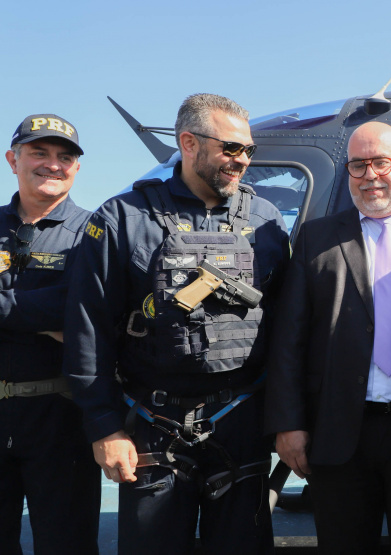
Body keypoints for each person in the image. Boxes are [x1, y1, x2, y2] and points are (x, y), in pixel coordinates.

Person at [64, 94, 289, 554]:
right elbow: (89, 331)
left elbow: (287, 330)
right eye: (230, 148)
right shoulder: (123, 218)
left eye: (248, 150)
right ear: (188, 142)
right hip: (152, 424)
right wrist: (105, 428)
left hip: (242, 424)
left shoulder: (265, 221)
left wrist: (287, 421)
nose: (241, 161)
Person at [265, 121, 391, 554]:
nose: (370, 176)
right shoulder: (316, 238)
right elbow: (289, 339)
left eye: (381, 162)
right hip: (339, 438)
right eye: (358, 166)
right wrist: (288, 424)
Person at [1, 115, 98, 554]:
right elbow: (60, 310)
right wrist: (43, 315)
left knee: (66, 545)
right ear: (12, 159)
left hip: (62, 420)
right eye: (39, 152)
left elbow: (83, 312)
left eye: (64, 157)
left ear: (77, 168)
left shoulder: (97, 234)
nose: (52, 164)